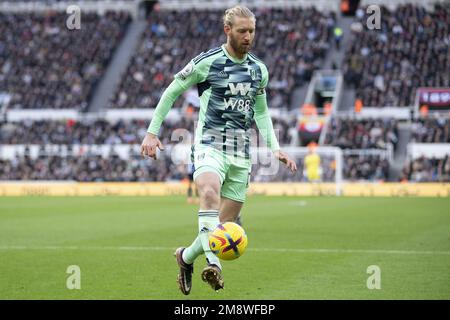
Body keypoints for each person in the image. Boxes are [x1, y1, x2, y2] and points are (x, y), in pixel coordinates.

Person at [140, 5, 297, 295]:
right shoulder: (207, 62)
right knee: (209, 194)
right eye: (242, 31)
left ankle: (185, 257)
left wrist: (275, 148)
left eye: (251, 31)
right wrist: (152, 132)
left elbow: (261, 112)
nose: (248, 36)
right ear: (228, 30)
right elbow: (172, 90)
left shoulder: (258, 70)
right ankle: (215, 266)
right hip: (209, 144)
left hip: (241, 153)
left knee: (222, 226)